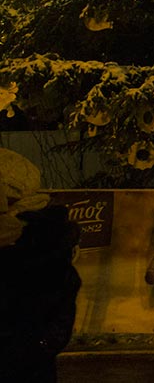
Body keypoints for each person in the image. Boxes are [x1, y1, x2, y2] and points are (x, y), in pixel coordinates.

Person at [0, 148, 81, 383]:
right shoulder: (50, 243)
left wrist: (40, 346)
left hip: (28, 361)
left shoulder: (43, 247)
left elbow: (60, 308)